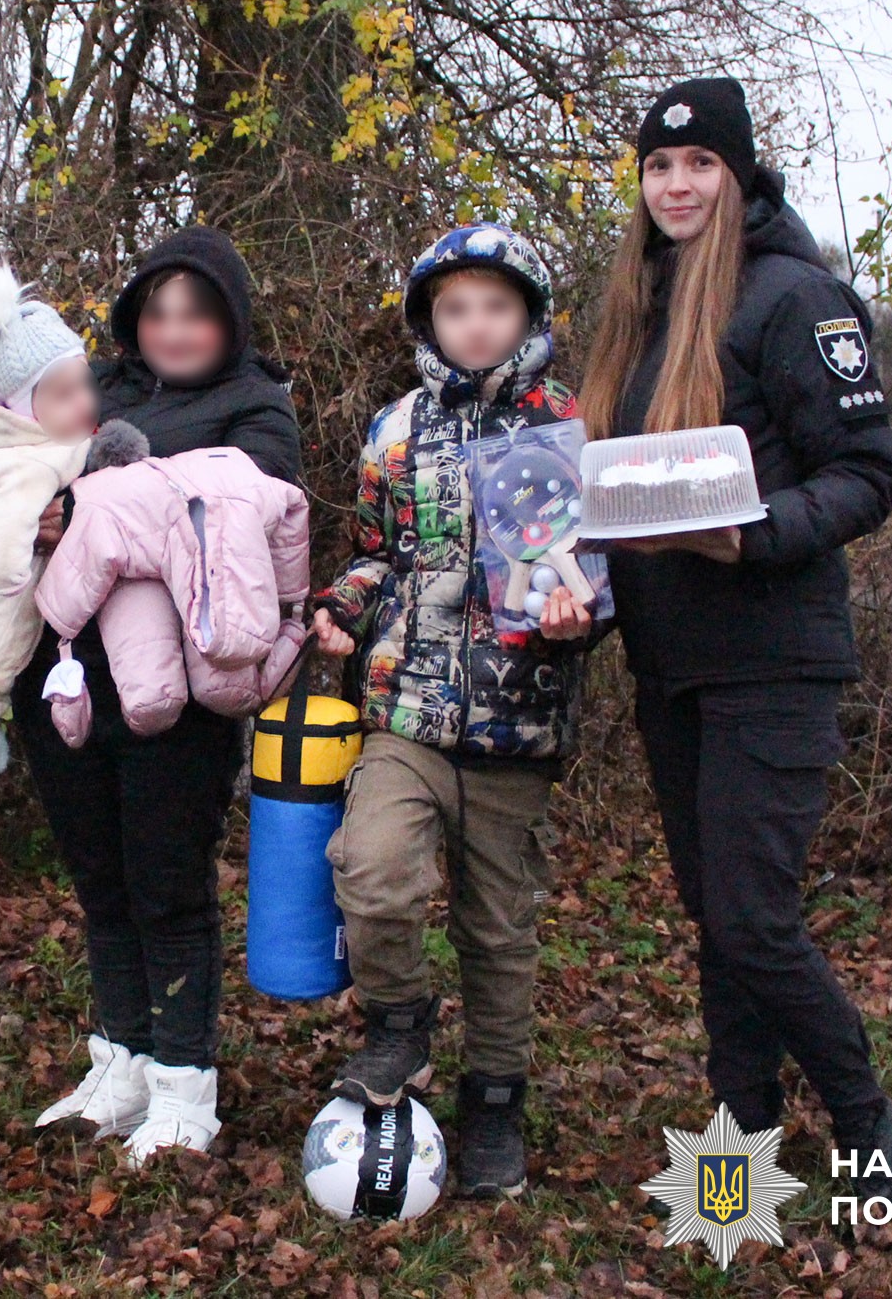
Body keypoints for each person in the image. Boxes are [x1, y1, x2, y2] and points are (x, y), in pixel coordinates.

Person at [576, 77, 892, 1207]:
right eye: (657, 167)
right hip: (669, 665)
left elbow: (868, 474)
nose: (675, 186)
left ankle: (866, 1121)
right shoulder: (641, 302)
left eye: (699, 165)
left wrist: (754, 533)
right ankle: (743, 1137)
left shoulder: (794, 297)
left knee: (752, 918)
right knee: (717, 917)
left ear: (738, 172)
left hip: (772, 658)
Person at [0, 227, 299, 1165]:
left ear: (231, 322)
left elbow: (245, 507)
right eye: (157, 311)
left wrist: (86, 503)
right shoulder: (93, 386)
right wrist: (13, 512)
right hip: (61, 677)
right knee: (100, 881)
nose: (174, 331)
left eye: (197, 313)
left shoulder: (256, 407)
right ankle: (124, 1062)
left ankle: (186, 1082)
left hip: (179, 694)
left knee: (166, 883)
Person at [309, 224, 596, 1199]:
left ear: (528, 315)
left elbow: (595, 572)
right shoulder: (395, 428)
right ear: (428, 319)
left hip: (517, 726)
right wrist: (340, 609)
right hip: (405, 713)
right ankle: (399, 1024)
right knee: (370, 868)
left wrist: (578, 620)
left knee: (498, 930)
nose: (475, 325)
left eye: (495, 306)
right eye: (455, 307)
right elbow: (374, 553)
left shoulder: (568, 426)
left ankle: (496, 1103)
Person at [0, 264, 146, 773]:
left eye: (84, 386)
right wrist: (8, 570)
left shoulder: (55, 439)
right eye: (63, 396)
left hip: (26, 572)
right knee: (7, 631)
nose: (84, 402)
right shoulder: (32, 462)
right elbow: (9, 517)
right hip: (11, 568)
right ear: (26, 409)